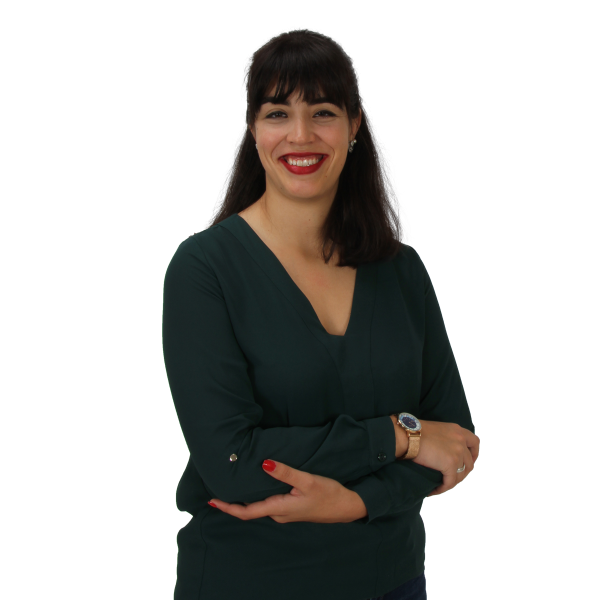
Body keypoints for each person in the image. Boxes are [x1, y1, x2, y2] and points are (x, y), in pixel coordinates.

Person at [164, 27, 479, 600]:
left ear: (355, 126)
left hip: (393, 583)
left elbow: (455, 441)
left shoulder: (402, 272)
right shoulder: (203, 270)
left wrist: (355, 502)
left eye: (324, 112)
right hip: (250, 586)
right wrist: (398, 437)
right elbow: (233, 463)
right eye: (278, 113)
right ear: (253, 130)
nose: (301, 135)